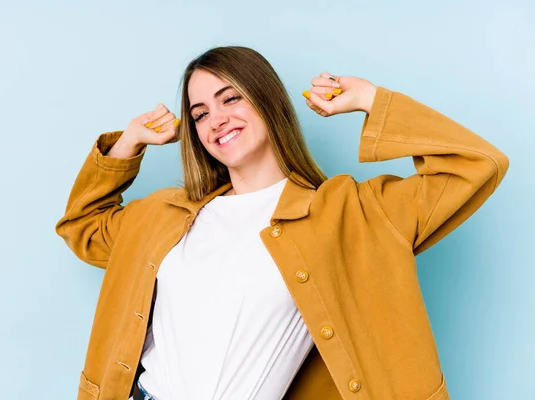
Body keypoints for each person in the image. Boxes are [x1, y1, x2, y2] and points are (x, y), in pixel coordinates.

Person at [55, 46, 509, 400]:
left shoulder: (351, 214)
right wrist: (129, 142)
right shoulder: (164, 214)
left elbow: (478, 165)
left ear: (268, 101)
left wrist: (371, 99)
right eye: (200, 114)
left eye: (230, 98)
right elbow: (83, 225)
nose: (216, 119)